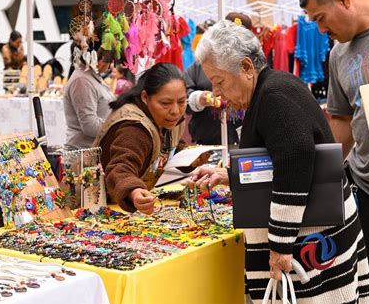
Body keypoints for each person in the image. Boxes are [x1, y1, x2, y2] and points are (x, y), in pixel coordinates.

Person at [189, 20, 369, 304]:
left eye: (220, 81)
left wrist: (281, 245)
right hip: (317, 233)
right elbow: (273, 160)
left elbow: (295, 159)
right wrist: (229, 174)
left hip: (310, 240)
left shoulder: (274, 95)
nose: (217, 92)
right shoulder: (272, 89)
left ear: (247, 68)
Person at [300, 0, 369, 304]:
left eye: (320, 18)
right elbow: (341, 123)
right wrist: (312, 174)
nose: (321, 30)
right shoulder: (338, 54)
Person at [93, 63, 190, 214]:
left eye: (182, 102)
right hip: (108, 209)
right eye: (165, 103)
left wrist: (191, 159)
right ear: (145, 97)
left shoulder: (164, 119)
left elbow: (170, 145)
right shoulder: (134, 128)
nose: (175, 111)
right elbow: (120, 167)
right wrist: (134, 191)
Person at [186, 12, 252, 146]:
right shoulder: (202, 63)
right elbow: (183, 96)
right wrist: (199, 98)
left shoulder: (252, 67)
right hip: (206, 140)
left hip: (244, 140)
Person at [63, 40, 115, 150]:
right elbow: (90, 126)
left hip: (94, 151)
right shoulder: (82, 81)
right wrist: (118, 125)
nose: (108, 63)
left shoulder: (92, 76)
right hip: (84, 155)